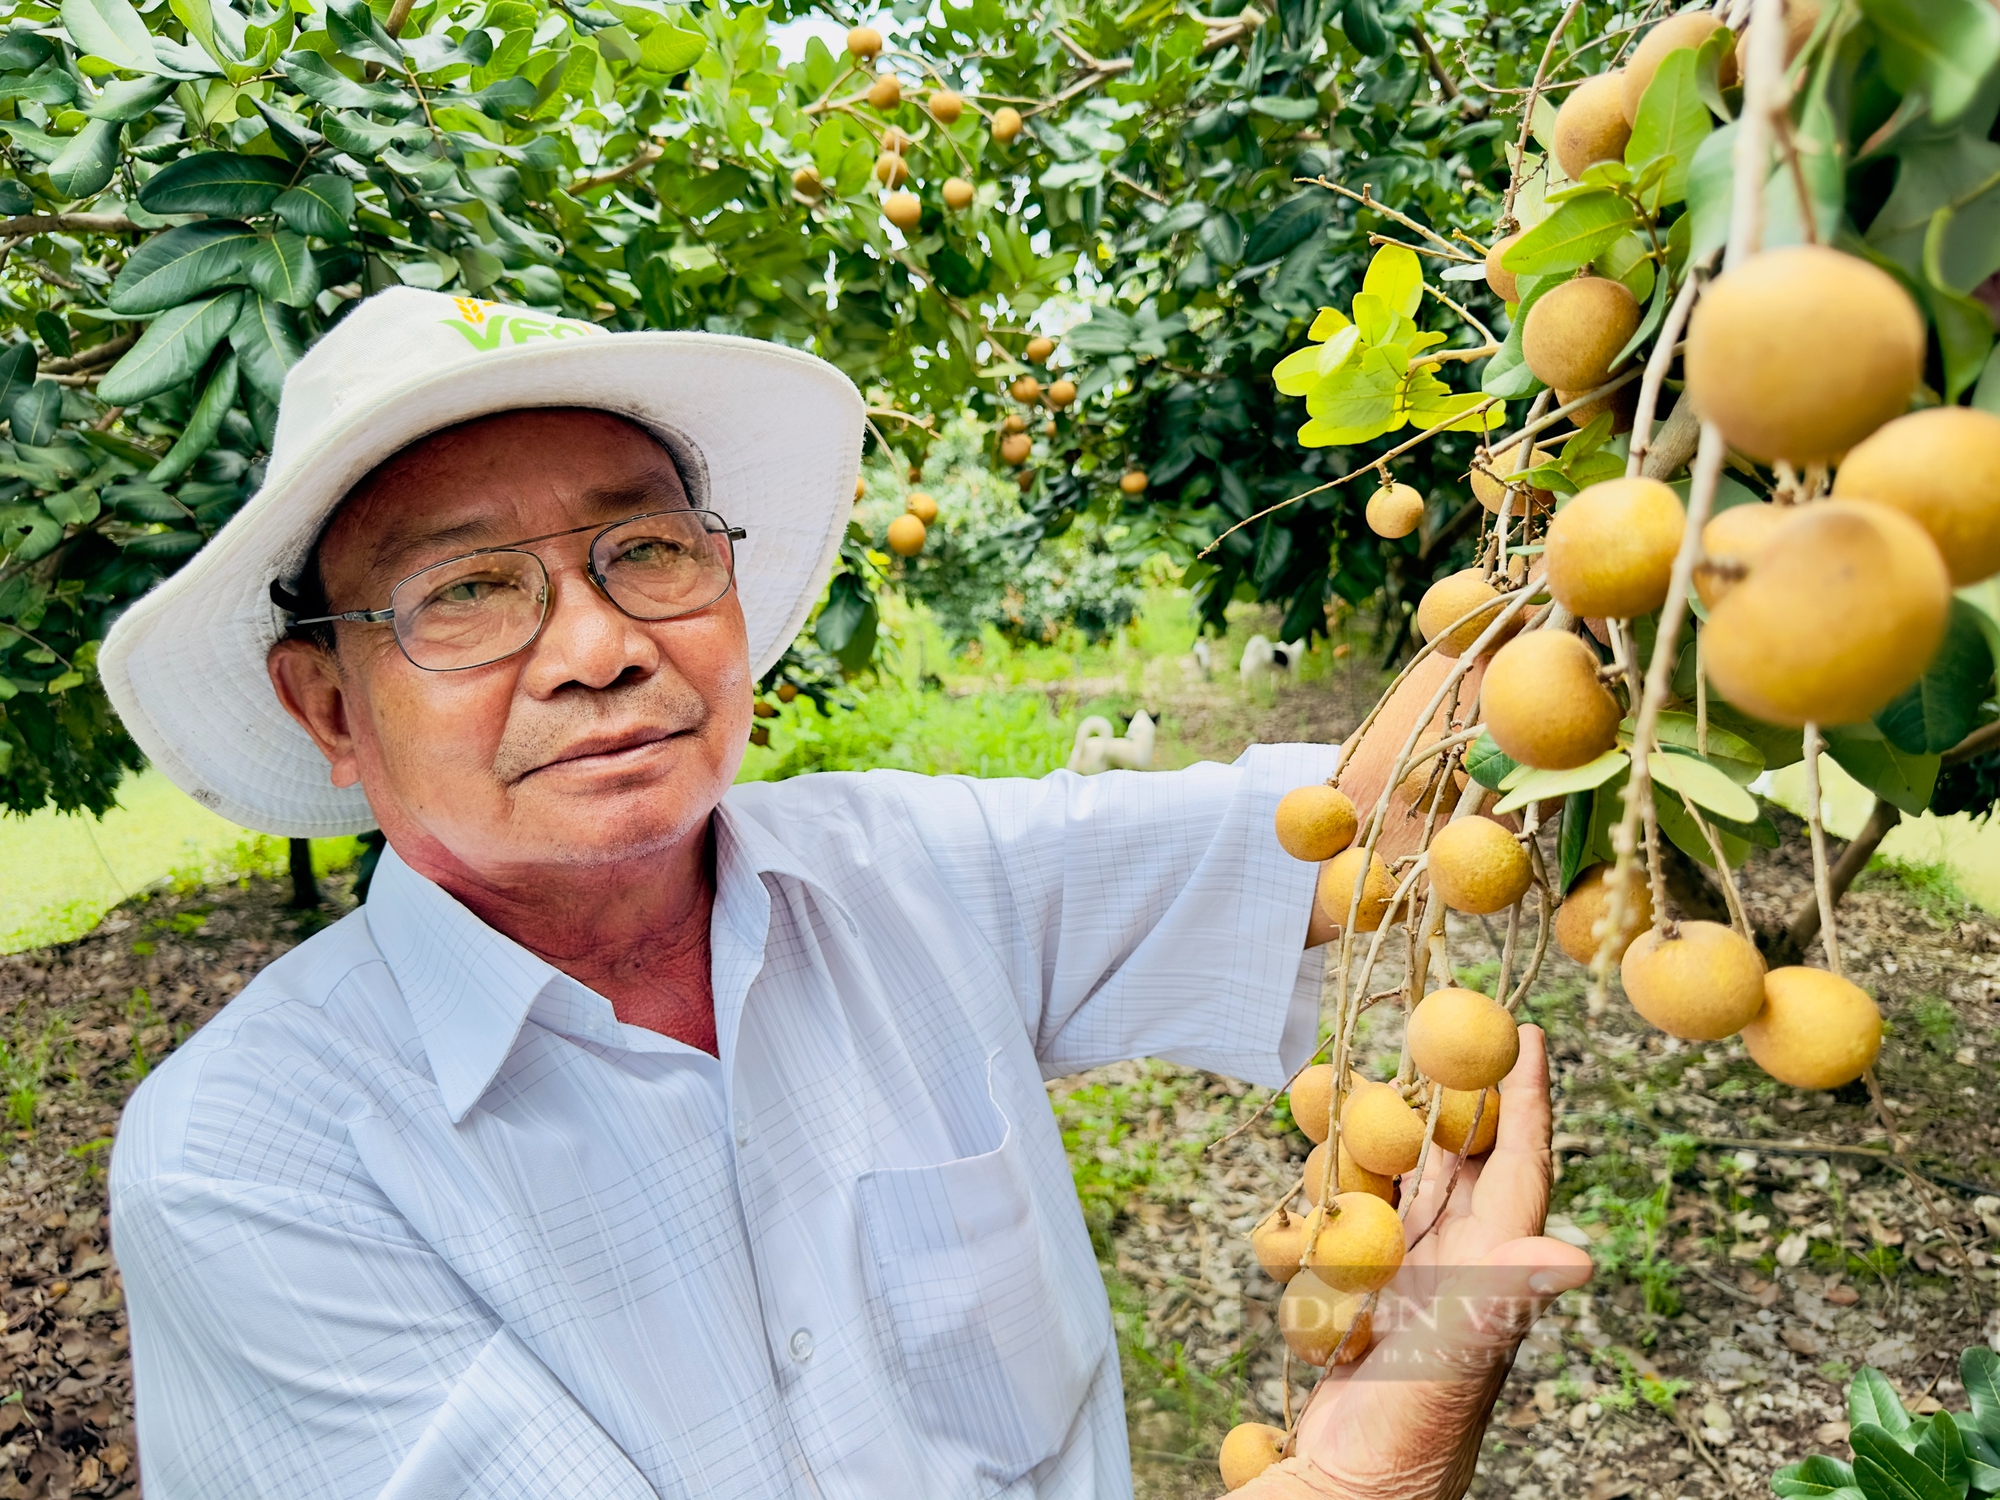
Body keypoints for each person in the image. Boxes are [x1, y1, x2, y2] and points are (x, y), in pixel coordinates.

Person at [99, 288, 1590, 1500]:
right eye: (469, 591)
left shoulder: (908, 880)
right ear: (330, 711)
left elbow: (1377, 829)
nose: (600, 646)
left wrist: (1637, 412)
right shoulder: (250, 1164)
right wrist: (1365, 1471)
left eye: (648, 552)